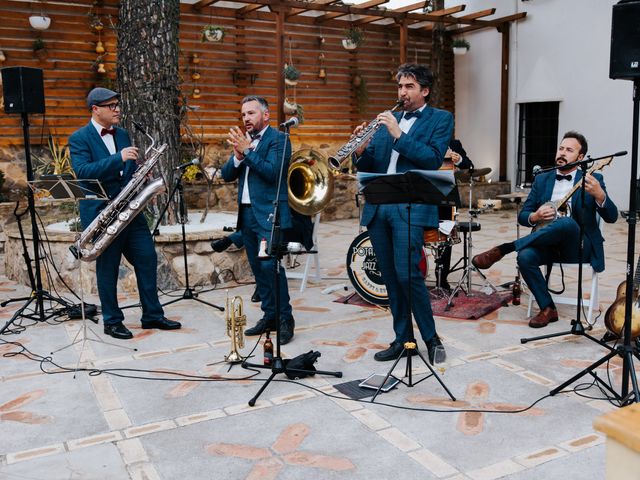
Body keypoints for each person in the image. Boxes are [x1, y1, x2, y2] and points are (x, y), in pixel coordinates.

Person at [353, 63, 454, 362]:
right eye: (400, 86)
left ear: (425, 90)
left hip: (409, 207)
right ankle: (403, 340)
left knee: (408, 274)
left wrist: (398, 134)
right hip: (379, 205)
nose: (402, 92)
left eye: (409, 87)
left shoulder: (440, 119)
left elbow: (432, 158)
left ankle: (431, 337)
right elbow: (372, 165)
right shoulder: (387, 120)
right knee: (390, 277)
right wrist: (361, 150)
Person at [472, 131, 618, 328]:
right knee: (525, 257)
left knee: (566, 223)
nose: (562, 153)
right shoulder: (543, 179)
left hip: (578, 247)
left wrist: (600, 196)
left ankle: (505, 248)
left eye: (569, 150)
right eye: (561, 148)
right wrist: (535, 216)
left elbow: (612, 217)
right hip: (546, 244)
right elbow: (523, 216)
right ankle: (548, 308)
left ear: (581, 157)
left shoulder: (592, 178)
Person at [69, 87, 181, 339]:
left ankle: (152, 315)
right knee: (107, 269)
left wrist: (140, 174)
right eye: (111, 106)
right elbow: (83, 172)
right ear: (95, 109)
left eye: (117, 104)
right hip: (103, 214)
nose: (117, 109)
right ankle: (112, 321)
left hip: (130, 212)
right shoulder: (79, 138)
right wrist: (119, 158)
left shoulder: (123, 133)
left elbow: (126, 171)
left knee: (147, 259)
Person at [221, 95, 295, 344]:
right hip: (247, 214)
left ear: (266, 115)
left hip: (269, 213)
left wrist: (248, 152)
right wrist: (238, 157)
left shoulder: (280, 140)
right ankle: (269, 315)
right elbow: (226, 175)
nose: (246, 119)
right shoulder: (245, 142)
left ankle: (285, 319)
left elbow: (272, 173)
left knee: (270, 267)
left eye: (251, 113)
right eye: (243, 115)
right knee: (257, 268)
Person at [436, 138, 473, 290]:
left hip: (448, 198)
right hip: (423, 196)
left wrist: (459, 160)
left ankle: (442, 278)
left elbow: (470, 166)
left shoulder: (455, 144)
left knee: (446, 238)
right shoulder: (422, 140)